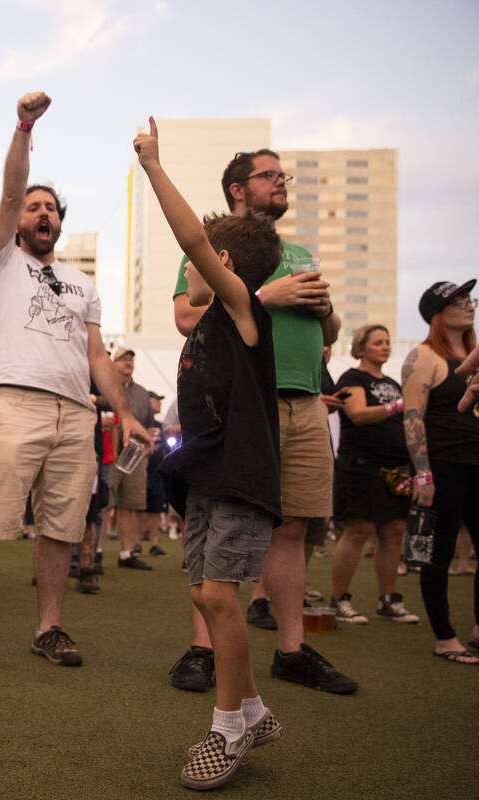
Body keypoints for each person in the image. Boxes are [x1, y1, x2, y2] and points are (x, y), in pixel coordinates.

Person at [0, 92, 150, 669]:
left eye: (51, 209)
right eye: (35, 207)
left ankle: (49, 628)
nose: (42, 214)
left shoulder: (82, 283)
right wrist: (24, 127)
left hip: (77, 413)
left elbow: (97, 354)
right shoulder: (1, 260)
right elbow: (9, 191)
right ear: (20, 220)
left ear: (61, 223)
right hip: (13, 402)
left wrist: (123, 412)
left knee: (61, 526)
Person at [170, 147, 357, 695]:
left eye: (283, 175)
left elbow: (329, 334)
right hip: (251, 405)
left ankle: (291, 651)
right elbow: (186, 318)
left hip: (306, 401)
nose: (281, 182)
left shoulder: (295, 250)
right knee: (219, 524)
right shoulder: (215, 250)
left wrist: (325, 312)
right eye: (269, 175)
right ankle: (204, 650)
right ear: (237, 188)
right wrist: (264, 295)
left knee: (294, 525)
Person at [136, 117, 284, 791]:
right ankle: (252, 706)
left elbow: (193, 235)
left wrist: (152, 165)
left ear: (221, 267)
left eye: (198, 260)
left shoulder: (244, 311)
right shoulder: (210, 325)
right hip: (207, 478)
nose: (188, 267)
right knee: (202, 590)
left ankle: (229, 729)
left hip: (241, 480)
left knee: (221, 596)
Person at [401, 279, 479, 664]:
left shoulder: (477, 355)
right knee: (439, 553)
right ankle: (444, 637)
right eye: (458, 300)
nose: (468, 305)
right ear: (437, 313)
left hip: (478, 461)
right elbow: (413, 419)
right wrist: (423, 474)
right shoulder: (424, 357)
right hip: (445, 464)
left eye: (470, 298)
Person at [328, 324, 418, 624]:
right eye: (377, 342)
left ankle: (388, 601)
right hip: (360, 465)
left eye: (387, 341)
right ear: (361, 347)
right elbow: (357, 414)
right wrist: (400, 406)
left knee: (393, 532)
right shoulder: (352, 378)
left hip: (396, 467)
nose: (384, 346)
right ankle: (338, 601)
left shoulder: (394, 382)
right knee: (358, 530)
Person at [109, 347, 158, 569]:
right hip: (110, 452)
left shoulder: (142, 393)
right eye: (123, 359)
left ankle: (126, 554)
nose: (128, 363)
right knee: (103, 503)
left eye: (130, 359)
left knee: (129, 505)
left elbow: (148, 424)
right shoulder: (105, 387)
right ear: (113, 363)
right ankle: (93, 553)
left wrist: (150, 439)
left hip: (135, 456)